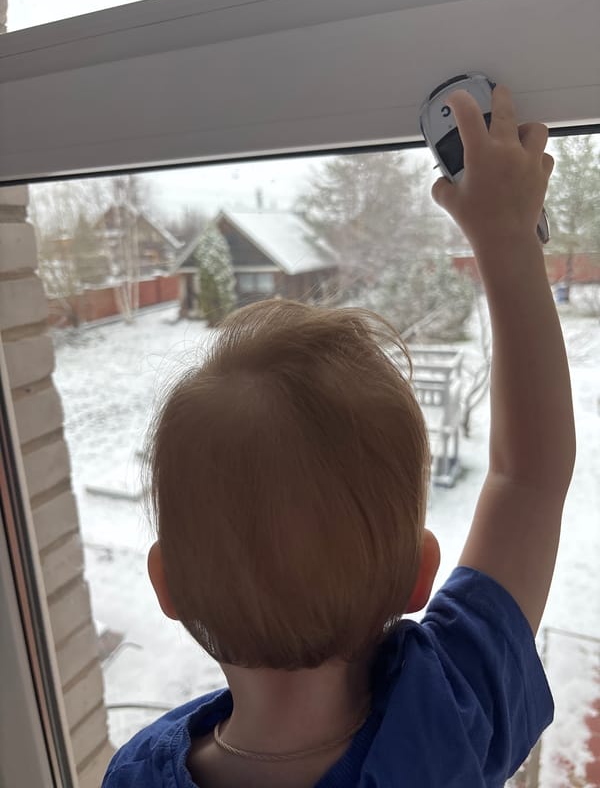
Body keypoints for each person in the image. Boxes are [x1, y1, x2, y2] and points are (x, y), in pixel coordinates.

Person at [102, 86, 575, 787]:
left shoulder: (137, 774)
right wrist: (507, 238)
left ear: (167, 583)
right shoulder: (446, 715)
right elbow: (528, 479)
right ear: (418, 573)